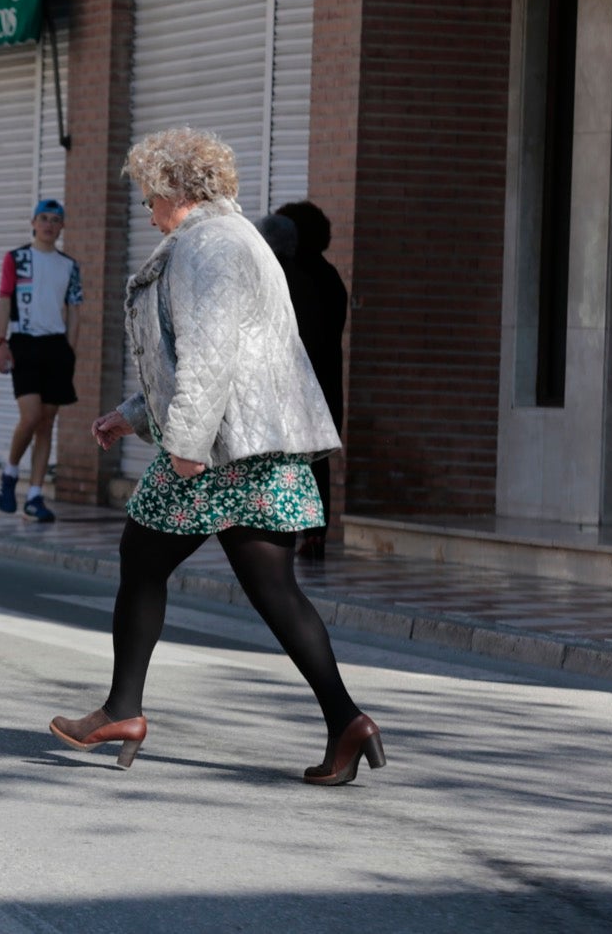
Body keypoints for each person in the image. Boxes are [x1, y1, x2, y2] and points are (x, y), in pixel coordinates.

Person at [49, 127, 383, 786]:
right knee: (270, 587)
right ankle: (346, 720)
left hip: (223, 449)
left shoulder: (212, 245)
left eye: (149, 194)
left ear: (175, 189)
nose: (145, 207)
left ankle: (123, 709)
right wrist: (134, 414)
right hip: (248, 443)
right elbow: (186, 357)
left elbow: (209, 354)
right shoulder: (221, 241)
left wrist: (185, 447)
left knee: (144, 558)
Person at [0, 198, 83, 523]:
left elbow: (74, 310)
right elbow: (4, 300)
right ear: (33, 222)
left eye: (54, 220)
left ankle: (34, 496)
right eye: (43, 218)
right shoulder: (16, 259)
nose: (48, 224)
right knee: (30, 418)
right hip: (24, 344)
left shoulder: (70, 266)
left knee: (47, 424)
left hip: (56, 347)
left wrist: (70, 350)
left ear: (61, 227)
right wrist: (1, 342)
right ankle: (10, 472)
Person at [275, 200, 348, 560]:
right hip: (326, 381)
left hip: (294, 384)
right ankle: (315, 534)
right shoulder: (330, 276)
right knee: (316, 461)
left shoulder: (288, 275)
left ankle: (285, 532)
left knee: (287, 459)